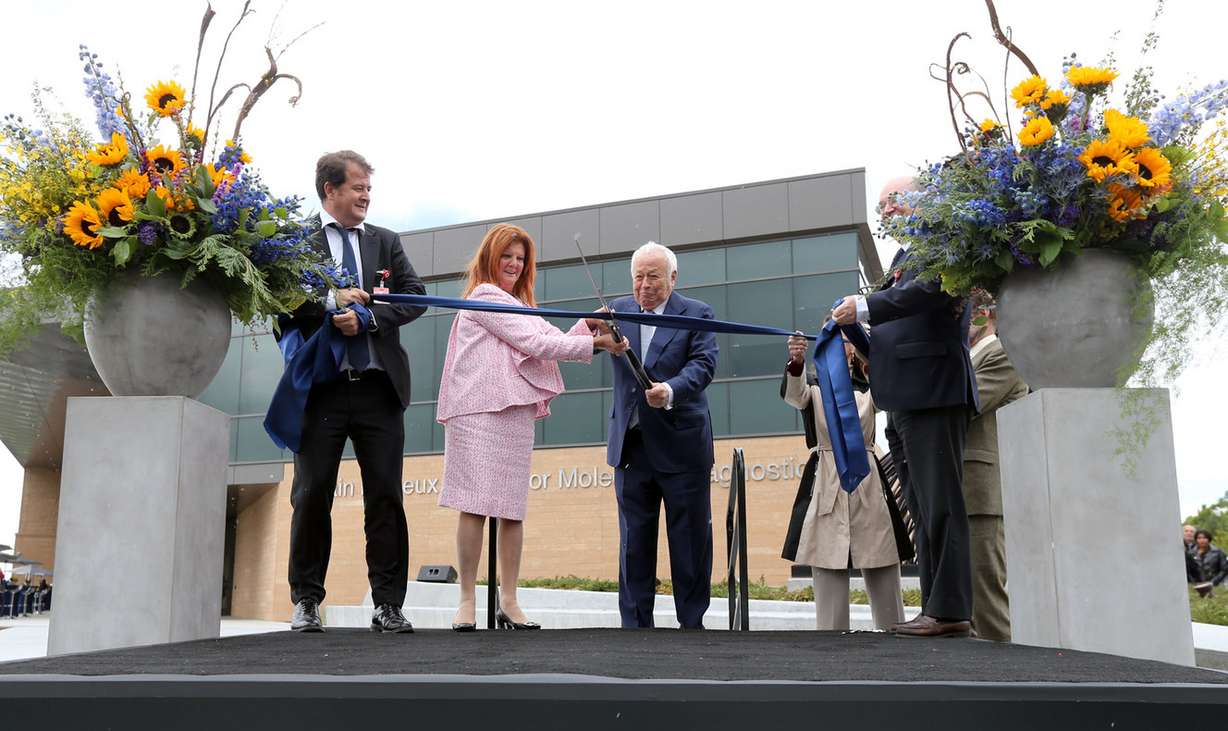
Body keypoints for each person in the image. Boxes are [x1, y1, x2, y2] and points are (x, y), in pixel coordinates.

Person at [436, 224, 627, 631]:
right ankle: (467, 599)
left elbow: (550, 338)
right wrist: (598, 343)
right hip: (477, 410)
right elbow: (537, 345)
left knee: (511, 509)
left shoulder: (519, 303)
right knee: (474, 505)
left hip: (513, 411)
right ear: (491, 257)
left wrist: (590, 326)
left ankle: (509, 599)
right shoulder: (485, 296)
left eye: (521, 259)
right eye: (507, 255)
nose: (514, 264)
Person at [279, 150, 427, 633]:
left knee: (385, 497)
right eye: (358, 187)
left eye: (369, 189)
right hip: (320, 390)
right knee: (311, 493)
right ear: (330, 190)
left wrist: (367, 316)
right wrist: (328, 304)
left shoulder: (386, 241)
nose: (366, 195)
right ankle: (305, 600)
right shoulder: (297, 241)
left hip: (378, 390)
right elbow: (277, 299)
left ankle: (387, 604)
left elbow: (414, 298)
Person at [832, 175, 979, 638]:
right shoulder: (902, 257)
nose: (888, 210)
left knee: (941, 504)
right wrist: (853, 327)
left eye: (894, 200)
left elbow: (928, 291)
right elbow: (894, 320)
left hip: (933, 389)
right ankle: (935, 607)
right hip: (903, 395)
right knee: (921, 505)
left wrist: (866, 305)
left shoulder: (944, 240)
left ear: (926, 199)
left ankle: (951, 610)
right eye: (883, 204)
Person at [606, 242, 718, 629]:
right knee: (634, 543)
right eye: (638, 276)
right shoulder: (615, 312)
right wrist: (591, 330)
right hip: (632, 447)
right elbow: (580, 338)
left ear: (673, 277)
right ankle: (635, 628)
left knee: (689, 544)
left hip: (682, 448)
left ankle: (692, 625)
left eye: (653, 276)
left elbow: (704, 365)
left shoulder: (698, 314)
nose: (644, 285)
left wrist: (669, 390)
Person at [782, 330, 905, 631]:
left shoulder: (868, 385)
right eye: (838, 340)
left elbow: (889, 396)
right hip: (825, 478)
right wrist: (796, 361)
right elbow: (795, 396)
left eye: (848, 340)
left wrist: (873, 357)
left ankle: (896, 638)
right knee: (826, 558)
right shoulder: (814, 385)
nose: (844, 347)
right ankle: (831, 643)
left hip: (867, 478)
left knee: (882, 555)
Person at [962, 290, 1028, 642]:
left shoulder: (1004, 354)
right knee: (968, 602)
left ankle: (1009, 680)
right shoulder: (972, 355)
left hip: (980, 489)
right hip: (963, 487)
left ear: (984, 315)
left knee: (986, 599)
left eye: (965, 312)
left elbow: (967, 403)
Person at [1192, 529, 1228, 596]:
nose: (1202, 540)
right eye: (1199, 538)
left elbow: (1224, 570)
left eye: (1204, 538)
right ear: (1196, 539)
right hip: (1197, 586)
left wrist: (1213, 582)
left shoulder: (1218, 552)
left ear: (1209, 539)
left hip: (1216, 584)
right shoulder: (1191, 553)